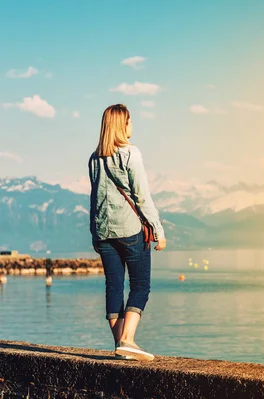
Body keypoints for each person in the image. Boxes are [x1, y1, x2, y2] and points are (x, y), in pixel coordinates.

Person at [88, 104, 166, 361]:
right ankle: (128, 340)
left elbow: (94, 197)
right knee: (140, 285)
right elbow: (142, 197)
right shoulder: (131, 154)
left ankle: (120, 347)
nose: (133, 126)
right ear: (123, 124)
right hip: (130, 229)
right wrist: (157, 229)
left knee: (113, 286)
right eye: (130, 121)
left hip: (103, 232)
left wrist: (95, 233)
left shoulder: (94, 158)